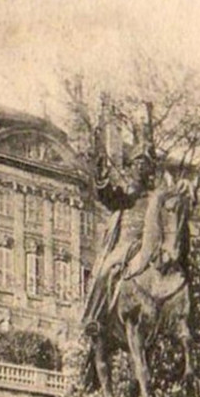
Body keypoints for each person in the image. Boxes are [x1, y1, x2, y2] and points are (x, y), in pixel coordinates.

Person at [82, 142, 158, 338]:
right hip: (125, 245)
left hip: (148, 246)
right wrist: (101, 176)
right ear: (130, 167)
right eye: (137, 162)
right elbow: (106, 196)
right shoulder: (124, 195)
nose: (141, 167)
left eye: (145, 163)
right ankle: (94, 318)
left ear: (150, 169)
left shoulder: (155, 197)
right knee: (105, 271)